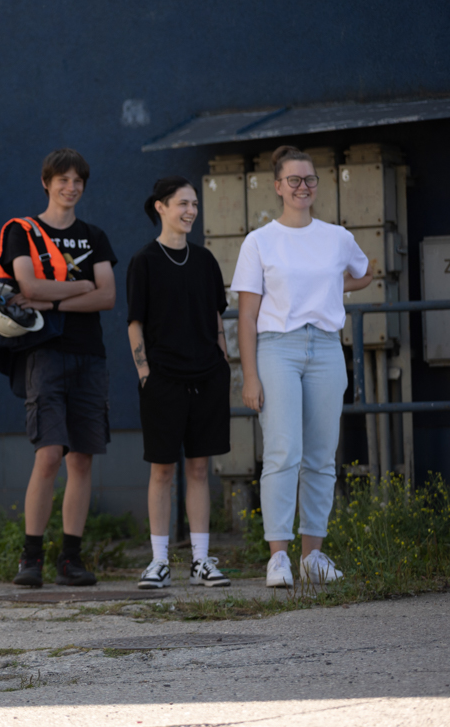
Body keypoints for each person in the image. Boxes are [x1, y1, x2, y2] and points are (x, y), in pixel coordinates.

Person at [232, 145, 371, 588]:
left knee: (322, 455)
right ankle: (278, 557)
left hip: (327, 347)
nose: (303, 187)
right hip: (278, 347)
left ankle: (313, 556)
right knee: (283, 451)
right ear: (278, 186)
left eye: (309, 179)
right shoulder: (259, 241)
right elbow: (247, 316)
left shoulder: (337, 237)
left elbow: (365, 272)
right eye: (293, 180)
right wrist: (249, 375)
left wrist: (333, 287)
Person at [0, 149, 117, 587]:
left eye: (77, 181)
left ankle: (71, 558)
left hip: (90, 355)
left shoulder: (94, 236)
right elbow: (27, 284)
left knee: (82, 458)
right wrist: (81, 286)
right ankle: (30, 558)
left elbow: (107, 296)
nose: (71, 187)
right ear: (46, 182)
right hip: (44, 354)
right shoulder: (23, 231)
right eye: (62, 180)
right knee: (49, 455)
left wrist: (51, 302)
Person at [126, 177, 231, 589]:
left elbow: (217, 317)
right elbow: (135, 323)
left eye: (194, 204)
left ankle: (201, 561)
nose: (190, 211)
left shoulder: (205, 260)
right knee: (162, 470)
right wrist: (145, 376)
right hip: (163, 381)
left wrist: (223, 361)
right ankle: (159, 562)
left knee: (200, 468)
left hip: (207, 378)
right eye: (182, 203)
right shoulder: (144, 261)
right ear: (161, 207)